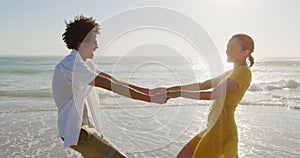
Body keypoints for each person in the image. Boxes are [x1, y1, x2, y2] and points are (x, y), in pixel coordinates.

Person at [52, 15, 167, 158]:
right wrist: (149, 99)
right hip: (77, 132)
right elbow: (110, 86)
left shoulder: (84, 64)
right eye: (94, 40)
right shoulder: (72, 65)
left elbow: (115, 81)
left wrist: (148, 92)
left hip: (85, 129)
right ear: (82, 42)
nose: (97, 45)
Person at [167, 34, 254, 157]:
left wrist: (178, 94)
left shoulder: (243, 73)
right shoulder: (231, 72)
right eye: (227, 47)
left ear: (245, 52)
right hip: (213, 127)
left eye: (232, 48)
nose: (227, 51)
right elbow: (202, 85)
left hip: (222, 129)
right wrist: (169, 90)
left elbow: (213, 94)